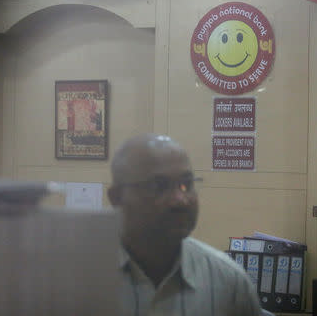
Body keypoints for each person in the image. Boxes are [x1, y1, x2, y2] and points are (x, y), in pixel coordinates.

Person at [108, 133, 261, 316]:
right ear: (117, 197)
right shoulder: (77, 278)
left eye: (186, 185)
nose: (180, 200)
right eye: (159, 186)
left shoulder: (230, 282)